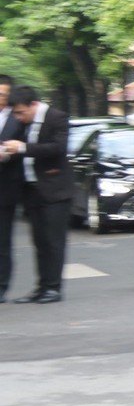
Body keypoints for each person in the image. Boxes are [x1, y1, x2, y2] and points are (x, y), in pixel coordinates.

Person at [0, 86, 76, 303]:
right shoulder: (25, 122)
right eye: (15, 113)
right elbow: (17, 149)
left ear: (34, 104)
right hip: (32, 189)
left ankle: (54, 287)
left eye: (21, 112)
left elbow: (57, 148)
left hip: (55, 189)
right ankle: (42, 286)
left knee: (54, 241)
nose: (18, 118)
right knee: (40, 241)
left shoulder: (56, 117)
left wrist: (23, 148)